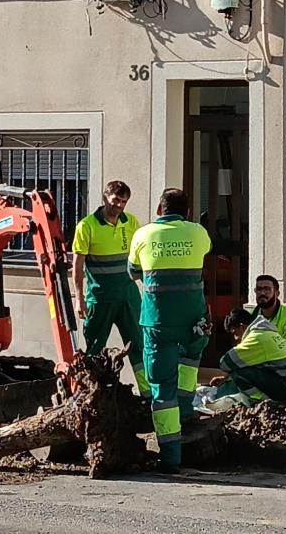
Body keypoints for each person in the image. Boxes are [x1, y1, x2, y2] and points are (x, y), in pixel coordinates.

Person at [128, 187, 211, 473]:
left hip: (158, 321)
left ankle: (170, 456)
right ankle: (186, 416)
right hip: (194, 321)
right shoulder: (198, 233)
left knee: (162, 390)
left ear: (158, 209)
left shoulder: (143, 234)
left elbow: (133, 271)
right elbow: (205, 256)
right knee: (188, 366)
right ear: (187, 212)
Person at [71, 180, 149, 396]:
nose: (119, 206)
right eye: (116, 200)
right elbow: (77, 268)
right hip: (100, 298)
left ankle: (147, 393)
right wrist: (79, 299)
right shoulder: (86, 226)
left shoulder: (131, 222)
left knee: (139, 347)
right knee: (95, 350)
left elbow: (141, 258)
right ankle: (88, 395)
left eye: (124, 202)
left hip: (128, 297)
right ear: (105, 197)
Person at [210, 308, 286, 407]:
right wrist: (227, 377)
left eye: (235, 333)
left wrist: (231, 374)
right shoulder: (267, 332)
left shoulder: (255, 338)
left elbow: (225, 363)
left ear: (242, 327)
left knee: (239, 373)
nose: (236, 338)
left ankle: (264, 403)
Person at [253, 273, 286, 354]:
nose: (262, 293)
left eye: (267, 289)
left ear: (277, 294)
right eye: (259, 289)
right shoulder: (251, 315)